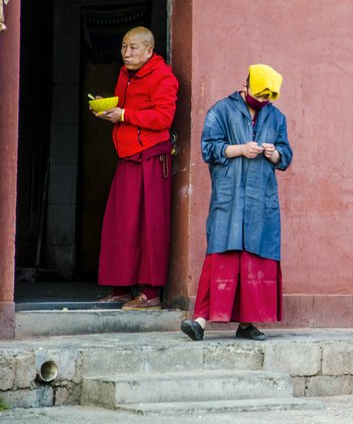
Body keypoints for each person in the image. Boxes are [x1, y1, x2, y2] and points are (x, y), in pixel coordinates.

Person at [180, 64, 292, 342]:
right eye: (260, 94)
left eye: (269, 97)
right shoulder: (221, 110)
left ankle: (247, 324)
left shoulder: (276, 117)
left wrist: (274, 153)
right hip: (228, 199)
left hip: (260, 200)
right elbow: (209, 149)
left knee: (255, 260)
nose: (263, 100)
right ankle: (200, 321)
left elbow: (287, 155)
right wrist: (240, 149)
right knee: (221, 256)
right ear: (246, 86)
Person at [95, 26, 178, 309]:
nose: (126, 53)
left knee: (148, 225)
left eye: (132, 48)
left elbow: (164, 117)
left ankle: (150, 292)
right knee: (121, 223)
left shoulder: (163, 77)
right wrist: (110, 111)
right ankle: (121, 287)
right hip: (127, 156)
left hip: (151, 160)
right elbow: (124, 108)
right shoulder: (125, 75)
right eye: (123, 47)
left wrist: (125, 115)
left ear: (149, 51)